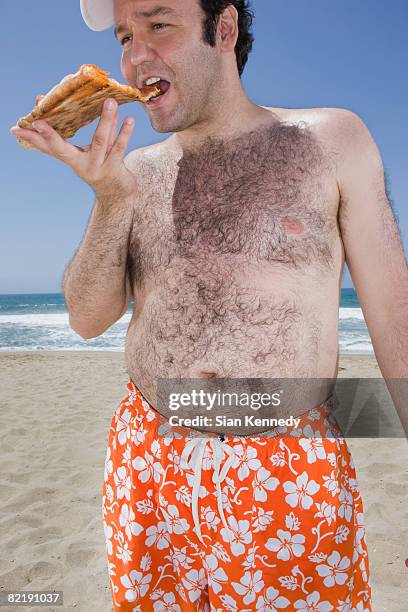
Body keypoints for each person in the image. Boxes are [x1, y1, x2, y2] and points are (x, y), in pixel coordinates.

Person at [10, 0, 407, 609]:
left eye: (158, 25)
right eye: (124, 36)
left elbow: (393, 319)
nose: (135, 55)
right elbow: (86, 320)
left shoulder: (333, 140)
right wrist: (111, 199)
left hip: (288, 468)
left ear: (223, 28)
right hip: (148, 460)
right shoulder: (133, 173)